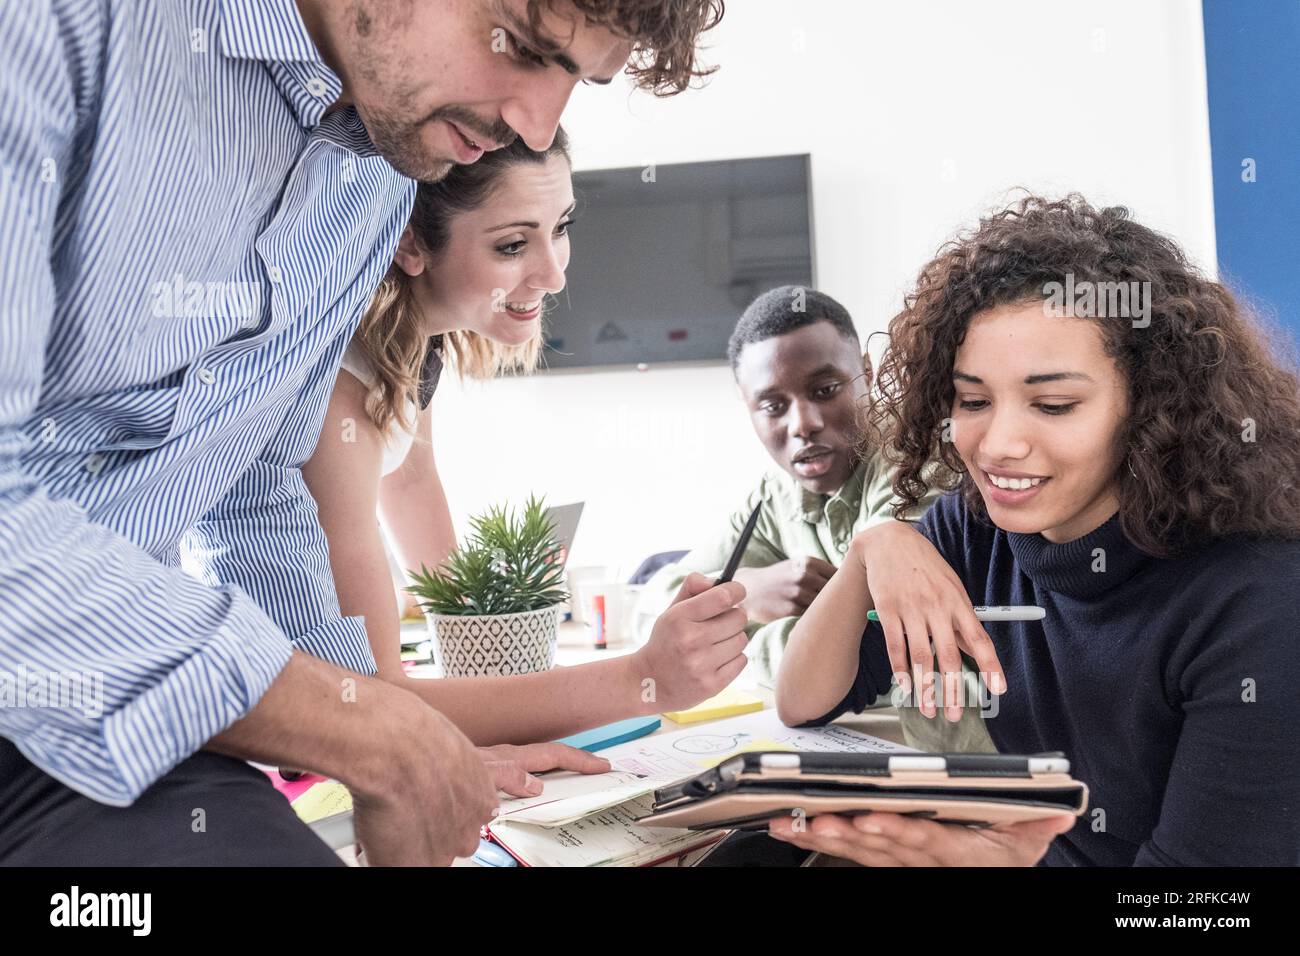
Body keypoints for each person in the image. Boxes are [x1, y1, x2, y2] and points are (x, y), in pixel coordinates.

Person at [0, 0, 728, 866]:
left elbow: (259, 483)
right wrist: (371, 727)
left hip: (92, 728)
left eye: (579, 80)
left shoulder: (377, 181)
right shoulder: (61, 29)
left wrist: (376, 724)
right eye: (523, 49)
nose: (534, 123)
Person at [774, 194, 1300, 866]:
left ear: (1152, 407)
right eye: (972, 400)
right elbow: (807, 700)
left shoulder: (1260, 600)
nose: (998, 445)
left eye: (1053, 404)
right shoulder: (977, 533)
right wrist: (870, 550)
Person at [302, 129, 750, 753]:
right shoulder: (333, 406)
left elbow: (408, 475)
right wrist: (640, 677)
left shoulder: (411, 346)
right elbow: (379, 701)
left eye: (559, 227)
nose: (554, 274)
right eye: (513, 244)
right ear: (408, 241)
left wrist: (478, 619)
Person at [636, 288, 955, 689]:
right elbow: (652, 605)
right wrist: (745, 592)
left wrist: (723, 644)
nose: (802, 424)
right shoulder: (775, 495)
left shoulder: (918, 464)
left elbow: (871, 655)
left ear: (867, 374)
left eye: (825, 391)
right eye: (772, 406)